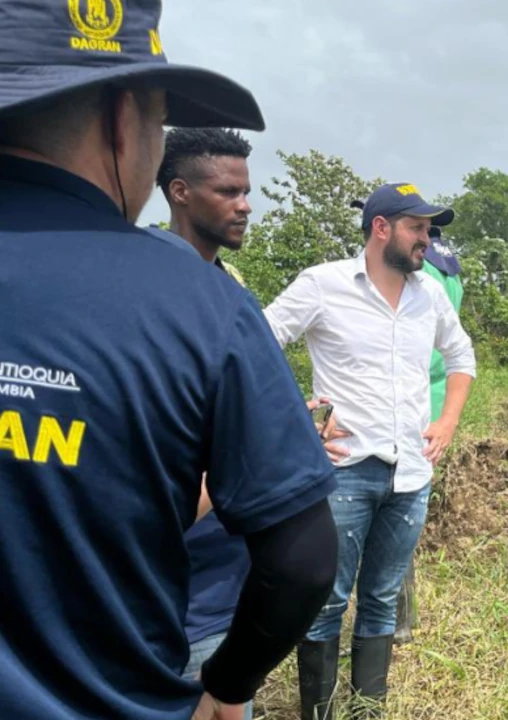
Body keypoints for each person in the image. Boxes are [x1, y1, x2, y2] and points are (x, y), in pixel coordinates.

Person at [0, 3, 339, 719]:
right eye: (159, 123)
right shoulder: (199, 305)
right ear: (125, 120)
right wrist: (229, 687)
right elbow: (303, 559)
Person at [148, 127, 355, 720]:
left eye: (247, 192)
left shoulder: (229, 289)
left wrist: (289, 439)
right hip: (179, 604)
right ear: (179, 192)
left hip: (223, 591)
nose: (244, 206)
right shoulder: (163, 298)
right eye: (228, 192)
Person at [263, 183, 477, 718]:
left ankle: (366, 712)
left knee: (382, 601)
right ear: (381, 227)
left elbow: (461, 355)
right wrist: (298, 420)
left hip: (410, 476)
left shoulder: (428, 292)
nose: (426, 239)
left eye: (429, 229)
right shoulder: (324, 285)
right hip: (343, 474)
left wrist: (447, 420)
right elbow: (257, 344)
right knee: (326, 602)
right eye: (418, 227)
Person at [393, 225, 465, 645]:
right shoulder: (449, 266)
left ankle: (399, 622)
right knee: (402, 515)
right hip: (435, 403)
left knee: (394, 512)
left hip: (416, 403)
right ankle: (403, 617)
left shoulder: (420, 273)